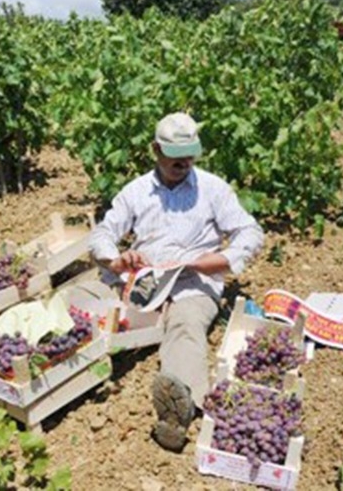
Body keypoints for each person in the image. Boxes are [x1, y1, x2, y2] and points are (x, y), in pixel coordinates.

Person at [88, 112, 264, 451]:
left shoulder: (213, 189)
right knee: (89, 307)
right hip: (143, 280)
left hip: (192, 283)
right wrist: (117, 259)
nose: (185, 162)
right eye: (175, 156)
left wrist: (212, 262)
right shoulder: (136, 192)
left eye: (191, 154)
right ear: (156, 149)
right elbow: (102, 234)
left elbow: (250, 232)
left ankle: (178, 406)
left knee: (185, 324)